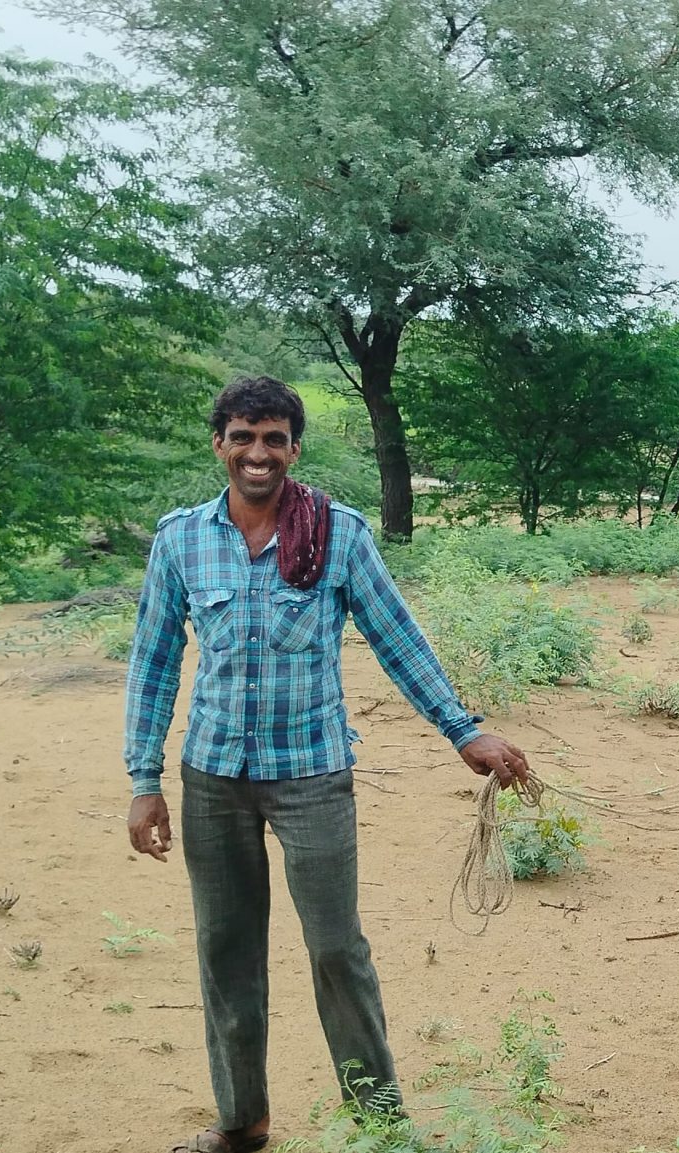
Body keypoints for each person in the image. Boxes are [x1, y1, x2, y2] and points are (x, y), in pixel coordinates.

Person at [123, 376, 532, 1153]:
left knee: (336, 949)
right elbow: (152, 663)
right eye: (242, 436)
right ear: (219, 444)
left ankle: (379, 1125)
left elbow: (395, 635)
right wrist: (144, 781)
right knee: (225, 951)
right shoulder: (181, 538)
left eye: (274, 438)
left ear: (294, 449)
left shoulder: (337, 533)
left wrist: (463, 729)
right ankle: (243, 1122)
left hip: (312, 774)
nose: (257, 452)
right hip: (212, 778)